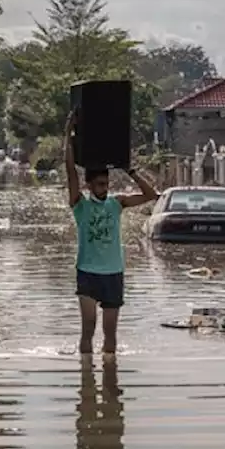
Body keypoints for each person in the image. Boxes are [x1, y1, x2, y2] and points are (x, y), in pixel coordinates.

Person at [64, 110, 159, 357]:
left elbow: (152, 196)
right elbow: (70, 172)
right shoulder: (80, 205)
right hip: (87, 272)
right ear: (89, 186)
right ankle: (86, 380)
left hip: (113, 273)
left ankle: (109, 382)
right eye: (99, 185)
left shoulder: (117, 204)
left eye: (106, 184)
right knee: (88, 327)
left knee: (110, 333)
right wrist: (68, 136)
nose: (104, 189)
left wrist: (132, 171)